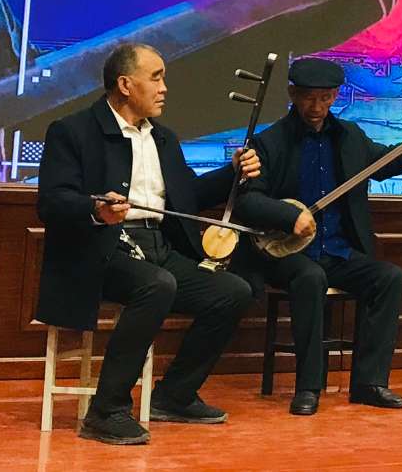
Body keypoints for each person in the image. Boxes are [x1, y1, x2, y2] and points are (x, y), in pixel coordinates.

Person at [35, 43, 258, 446]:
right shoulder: (72, 131)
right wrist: (96, 209)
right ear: (125, 84)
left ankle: (174, 395)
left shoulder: (164, 139)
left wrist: (233, 173)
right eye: (156, 77)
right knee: (156, 285)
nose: (164, 88)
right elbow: (52, 201)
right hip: (98, 251)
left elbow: (187, 196)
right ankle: (106, 411)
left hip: (157, 248)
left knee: (232, 291)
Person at [234, 57, 402, 415]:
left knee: (389, 277)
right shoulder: (269, 141)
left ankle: (369, 383)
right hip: (287, 255)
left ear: (336, 95)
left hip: (338, 250)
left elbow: (388, 164)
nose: (316, 107)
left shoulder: (350, 136)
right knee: (310, 276)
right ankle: (308, 387)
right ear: (292, 94)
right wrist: (290, 216)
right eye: (309, 97)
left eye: (325, 98)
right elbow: (247, 201)